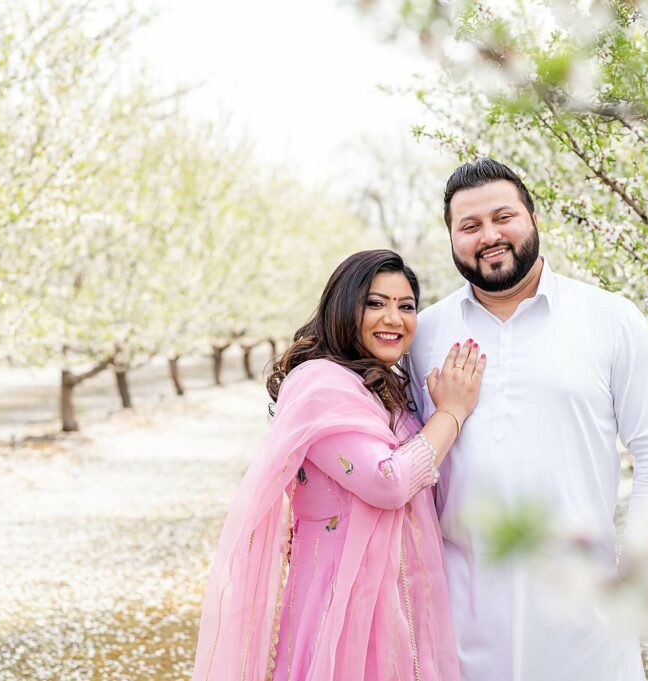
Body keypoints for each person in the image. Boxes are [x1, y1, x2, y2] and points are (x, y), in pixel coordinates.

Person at [407, 158, 648, 681]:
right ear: (451, 238)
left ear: (534, 218)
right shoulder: (422, 334)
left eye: (502, 217)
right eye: (469, 226)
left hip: (584, 614)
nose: (488, 236)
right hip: (457, 611)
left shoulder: (611, 319)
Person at [191, 249, 486, 681]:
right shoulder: (320, 383)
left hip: (391, 608)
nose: (394, 318)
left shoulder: (384, 389)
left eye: (406, 306)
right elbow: (388, 482)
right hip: (342, 611)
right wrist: (452, 413)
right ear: (344, 306)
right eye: (375, 303)